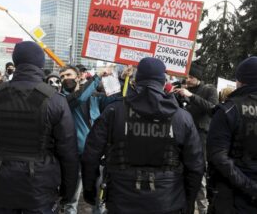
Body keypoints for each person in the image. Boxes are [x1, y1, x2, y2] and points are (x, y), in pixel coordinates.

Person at [82, 57, 204, 214]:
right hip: (167, 201)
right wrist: (188, 200)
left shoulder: (114, 111)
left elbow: (90, 155)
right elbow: (195, 165)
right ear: (163, 81)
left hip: (122, 200)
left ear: (137, 80)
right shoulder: (182, 117)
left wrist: (89, 191)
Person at [0, 41, 79, 214]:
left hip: (2, 182)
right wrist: (67, 192)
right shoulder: (56, 100)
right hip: (40, 188)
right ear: (41, 63)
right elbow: (68, 152)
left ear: (15, 62)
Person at [59, 65, 113, 214]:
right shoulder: (61, 99)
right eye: (62, 76)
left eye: (68, 75)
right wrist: (96, 77)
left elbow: (115, 99)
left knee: (99, 197)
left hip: (95, 154)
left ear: (78, 76)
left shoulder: (95, 96)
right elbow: (80, 97)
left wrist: (118, 78)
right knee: (71, 197)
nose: (65, 79)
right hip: (73, 154)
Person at [207, 56, 257, 214]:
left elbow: (217, 156)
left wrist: (250, 187)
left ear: (241, 81)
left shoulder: (229, 109)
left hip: (232, 197)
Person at [175, 62, 218, 214]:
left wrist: (191, 96)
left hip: (200, 139)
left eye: (191, 77)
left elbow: (213, 109)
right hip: (183, 138)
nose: (187, 79)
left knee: (199, 178)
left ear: (198, 77)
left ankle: (202, 209)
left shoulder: (208, 89)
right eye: (187, 76)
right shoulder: (183, 88)